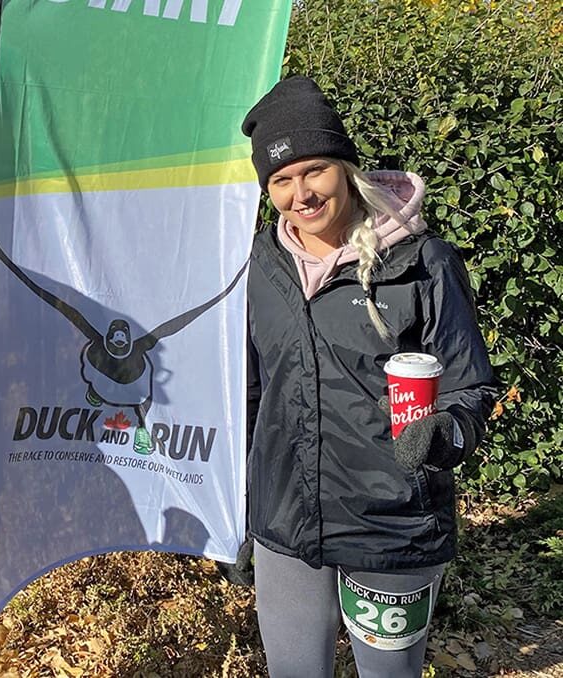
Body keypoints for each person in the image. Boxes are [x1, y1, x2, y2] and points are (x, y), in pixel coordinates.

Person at [240, 75, 498, 678]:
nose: (300, 194)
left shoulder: (421, 260)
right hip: (286, 523)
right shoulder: (257, 263)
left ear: (345, 170)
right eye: (280, 180)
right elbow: (248, 391)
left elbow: (471, 386)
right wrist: (234, 506)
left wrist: (445, 435)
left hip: (392, 524)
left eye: (313, 172)